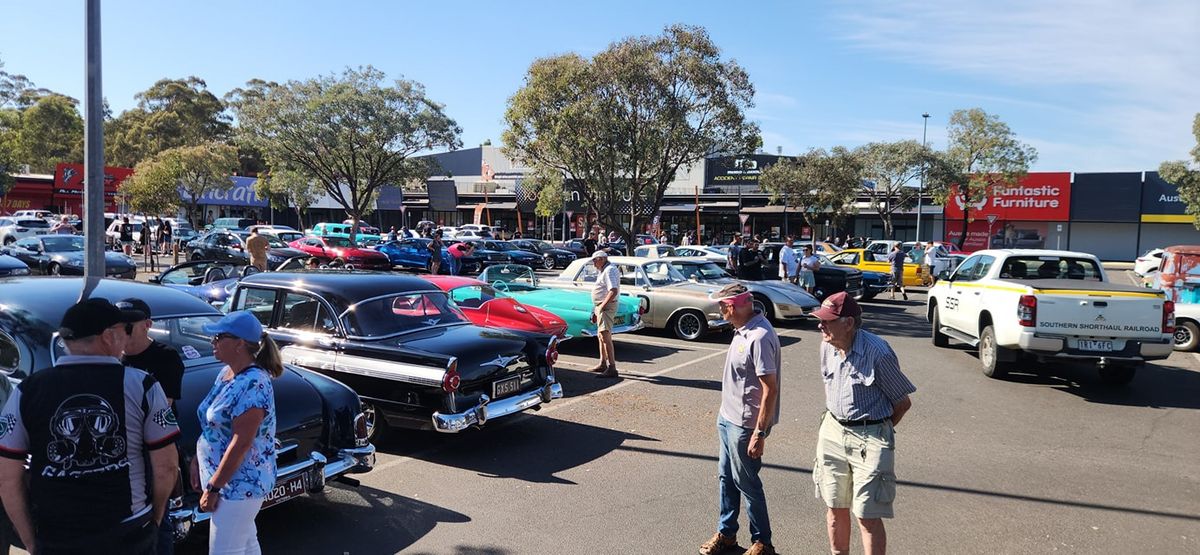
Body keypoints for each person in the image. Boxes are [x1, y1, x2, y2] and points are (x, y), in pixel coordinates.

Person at [0, 298, 180, 554]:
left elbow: (7, 478)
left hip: (57, 534)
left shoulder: (28, 390)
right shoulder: (142, 385)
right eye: (124, 330)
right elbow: (166, 466)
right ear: (108, 336)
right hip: (128, 531)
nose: (126, 338)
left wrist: (30, 540)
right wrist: (155, 519)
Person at [811, 292, 916, 555]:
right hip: (833, 431)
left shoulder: (878, 352)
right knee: (835, 507)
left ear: (848, 323)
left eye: (827, 320)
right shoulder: (827, 346)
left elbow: (902, 403)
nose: (820, 325)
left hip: (871, 436)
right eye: (820, 320)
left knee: (866, 515)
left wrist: (878, 433)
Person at [699, 283, 781, 555]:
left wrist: (760, 433)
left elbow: (770, 387)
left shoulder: (759, 336)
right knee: (726, 478)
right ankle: (727, 534)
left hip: (745, 425)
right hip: (728, 418)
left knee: (747, 484)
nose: (720, 311)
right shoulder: (742, 331)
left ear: (732, 306)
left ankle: (763, 543)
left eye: (722, 307)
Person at [197, 311, 283, 554]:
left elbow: (241, 442)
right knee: (246, 544)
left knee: (225, 550)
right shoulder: (227, 374)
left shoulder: (254, 382)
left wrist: (213, 487)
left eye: (219, 336)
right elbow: (213, 426)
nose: (212, 340)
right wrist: (198, 461)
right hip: (228, 482)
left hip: (240, 485)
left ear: (239, 344)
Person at [118, 298, 186, 555]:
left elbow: (161, 409)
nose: (121, 332)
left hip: (152, 449)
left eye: (128, 326)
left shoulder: (165, 357)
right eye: (116, 326)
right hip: (119, 450)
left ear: (146, 325)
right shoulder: (112, 359)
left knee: (158, 518)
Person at [588, 250, 621, 379]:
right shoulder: (605, 270)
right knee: (601, 335)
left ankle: (612, 367)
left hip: (606, 306)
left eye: (594, 260)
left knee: (605, 335)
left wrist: (602, 306)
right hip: (602, 306)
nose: (593, 263)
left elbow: (613, 290)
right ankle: (603, 363)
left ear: (601, 259)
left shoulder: (609, 270)